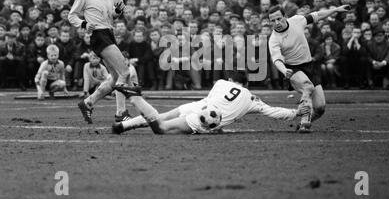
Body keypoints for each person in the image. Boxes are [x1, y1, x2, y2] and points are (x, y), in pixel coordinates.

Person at [112, 71, 308, 135]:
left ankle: (122, 125)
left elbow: (215, 100)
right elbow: (273, 112)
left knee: (160, 117)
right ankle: (134, 97)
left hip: (198, 106)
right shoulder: (251, 99)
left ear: (232, 80)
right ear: (246, 84)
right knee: (160, 128)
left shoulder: (221, 82)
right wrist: (296, 112)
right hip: (202, 120)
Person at [68, 0, 140, 124]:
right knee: (125, 72)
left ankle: (88, 102)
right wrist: (85, 24)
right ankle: (121, 113)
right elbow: (71, 16)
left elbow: (111, 16)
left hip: (108, 33)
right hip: (98, 35)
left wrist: (119, 10)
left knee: (115, 77)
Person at [268, 4, 350, 133]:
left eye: (278, 18)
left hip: (309, 66)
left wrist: (335, 10)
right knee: (307, 87)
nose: (276, 23)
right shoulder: (273, 39)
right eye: (272, 21)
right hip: (292, 69)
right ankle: (304, 123)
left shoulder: (297, 20)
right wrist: (284, 70)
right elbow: (276, 59)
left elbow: (317, 15)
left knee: (320, 107)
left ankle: (304, 120)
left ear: (285, 16)